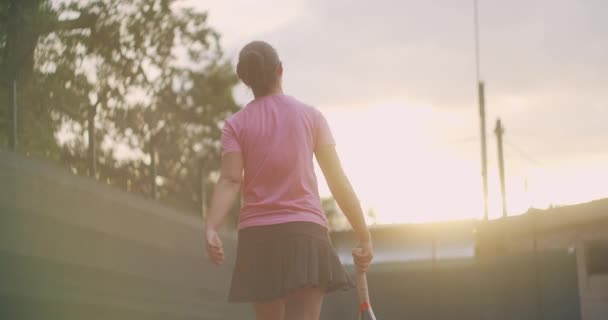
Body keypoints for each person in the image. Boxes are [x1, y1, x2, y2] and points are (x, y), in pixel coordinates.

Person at [204, 40, 373, 320]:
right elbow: (337, 180)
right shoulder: (312, 117)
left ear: (246, 80)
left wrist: (211, 226)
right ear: (280, 70)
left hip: (258, 240)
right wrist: (364, 235)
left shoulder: (235, 125)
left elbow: (230, 180)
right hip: (305, 235)